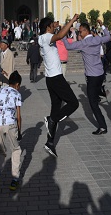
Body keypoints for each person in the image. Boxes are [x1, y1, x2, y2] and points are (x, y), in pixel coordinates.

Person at [39, 14, 80, 157]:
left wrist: (56, 25)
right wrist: (72, 20)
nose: (54, 27)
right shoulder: (45, 38)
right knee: (74, 103)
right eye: (51, 25)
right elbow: (61, 35)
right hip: (56, 78)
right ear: (47, 28)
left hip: (51, 79)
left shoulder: (44, 38)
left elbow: (57, 32)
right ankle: (52, 119)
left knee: (56, 109)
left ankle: (50, 142)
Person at [62, 21, 111, 134]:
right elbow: (108, 37)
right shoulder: (97, 39)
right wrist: (103, 25)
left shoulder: (83, 43)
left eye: (80, 31)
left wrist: (64, 35)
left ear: (85, 30)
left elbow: (68, 46)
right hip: (100, 73)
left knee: (93, 103)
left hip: (92, 76)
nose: (80, 34)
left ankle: (102, 126)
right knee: (96, 91)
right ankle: (102, 91)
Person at [0, 70, 23, 191]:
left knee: (1, 151)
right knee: (16, 150)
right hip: (10, 123)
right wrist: (20, 131)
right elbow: (18, 116)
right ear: (17, 84)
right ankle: (14, 179)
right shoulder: (17, 94)